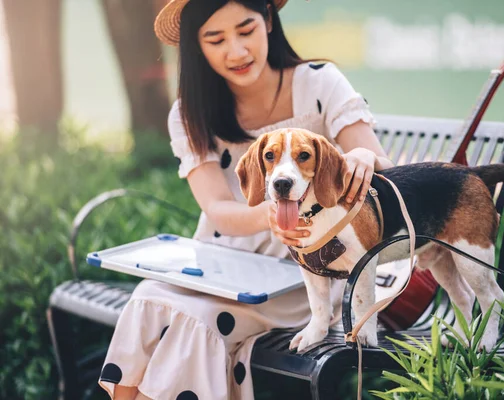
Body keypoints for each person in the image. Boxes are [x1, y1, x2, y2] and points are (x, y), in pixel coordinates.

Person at [98, 0, 395, 399]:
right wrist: (270, 215)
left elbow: (376, 162)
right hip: (224, 262)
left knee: (193, 321)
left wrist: (362, 158)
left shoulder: (318, 82)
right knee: (148, 299)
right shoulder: (190, 112)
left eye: (246, 30)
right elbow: (219, 211)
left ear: (268, 20)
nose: (236, 51)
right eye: (215, 38)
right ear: (195, 46)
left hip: (312, 269)